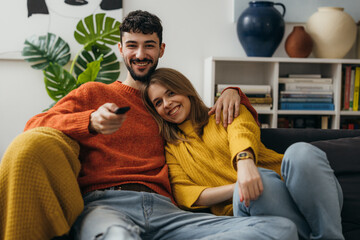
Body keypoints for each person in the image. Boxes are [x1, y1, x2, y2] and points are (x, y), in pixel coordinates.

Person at [0, 10, 298, 240]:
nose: (140, 54)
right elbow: (35, 124)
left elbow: (212, 120)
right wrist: (89, 121)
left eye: (149, 46)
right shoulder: (93, 93)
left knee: (279, 230)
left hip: (167, 211)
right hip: (106, 204)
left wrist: (233, 91)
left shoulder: (169, 108)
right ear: (120, 48)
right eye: (132, 45)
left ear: (161, 49)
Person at [142, 67, 345, 240]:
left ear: (185, 90)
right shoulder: (172, 148)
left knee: (300, 152)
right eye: (158, 102)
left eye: (170, 93)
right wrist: (239, 185)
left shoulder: (224, 110)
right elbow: (185, 193)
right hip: (259, 205)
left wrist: (245, 163)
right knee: (255, 186)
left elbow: (242, 131)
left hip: (303, 191)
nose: (166, 103)